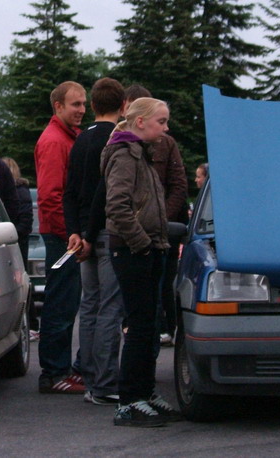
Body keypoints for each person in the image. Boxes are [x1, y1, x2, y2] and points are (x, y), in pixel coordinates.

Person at [102, 97, 181, 427]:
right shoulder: (125, 154)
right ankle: (129, 400)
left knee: (149, 325)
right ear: (140, 122)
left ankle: (145, 392)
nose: (165, 128)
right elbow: (117, 206)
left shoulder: (142, 153)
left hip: (150, 247)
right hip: (133, 250)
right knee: (138, 326)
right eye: (161, 121)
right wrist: (142, 244)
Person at [62, 77, 125, 406]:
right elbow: (105, 194)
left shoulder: (80, 140)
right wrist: (88, 233)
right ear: (123, 106)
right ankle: (104, 382)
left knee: (89, 306)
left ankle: (88, 376)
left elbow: (69, 191)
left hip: (83, 233)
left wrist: (75, 231)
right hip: (105, 232)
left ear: (93, 105)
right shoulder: (117, 139)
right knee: (110, 308)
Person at [124, 85, 189, 349]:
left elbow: (179, 185)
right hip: (135, 233)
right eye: (161, 121)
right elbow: (117, 199)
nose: (165, 127)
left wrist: (162, 219)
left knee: (163, 285)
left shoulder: (167, 144)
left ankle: (166, 328)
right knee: (140, 297)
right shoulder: (121, 147)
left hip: (164, 230)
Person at [35, 81, 87, 394]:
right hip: (61, 237)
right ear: (58, 106)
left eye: (83, 104)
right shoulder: (55, 141)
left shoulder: (68, 137)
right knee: (60, 304)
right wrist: (70, 235)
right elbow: (50, 196)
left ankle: (61, 369)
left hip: (64, 235)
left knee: (66, 302)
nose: (82, 110)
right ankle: (54, 374)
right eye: (75, 104)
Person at [3, 157, 38, 341]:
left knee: (20, 284)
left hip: (14, 242)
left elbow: (24, 224)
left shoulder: (16, 193)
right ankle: (30, 323)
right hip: (17, 241)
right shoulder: (23, 193)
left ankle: (30, 323)